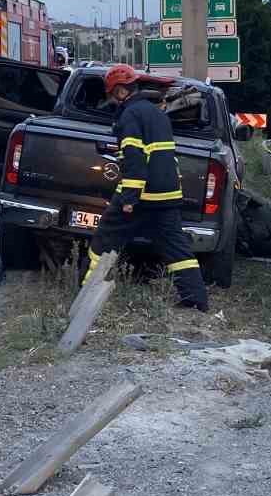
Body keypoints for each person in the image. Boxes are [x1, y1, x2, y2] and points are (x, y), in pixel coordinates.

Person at [81, 65, 208, 312]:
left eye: (112, 94)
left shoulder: (130, 115)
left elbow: (134, 159)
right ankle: (196, 299)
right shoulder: (157, 113)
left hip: (142, 194)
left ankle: (87, 292)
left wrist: (130, 197)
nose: (112, 99)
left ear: (119, 91)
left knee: (105, 238)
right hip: (168, 194)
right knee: (176, 247)